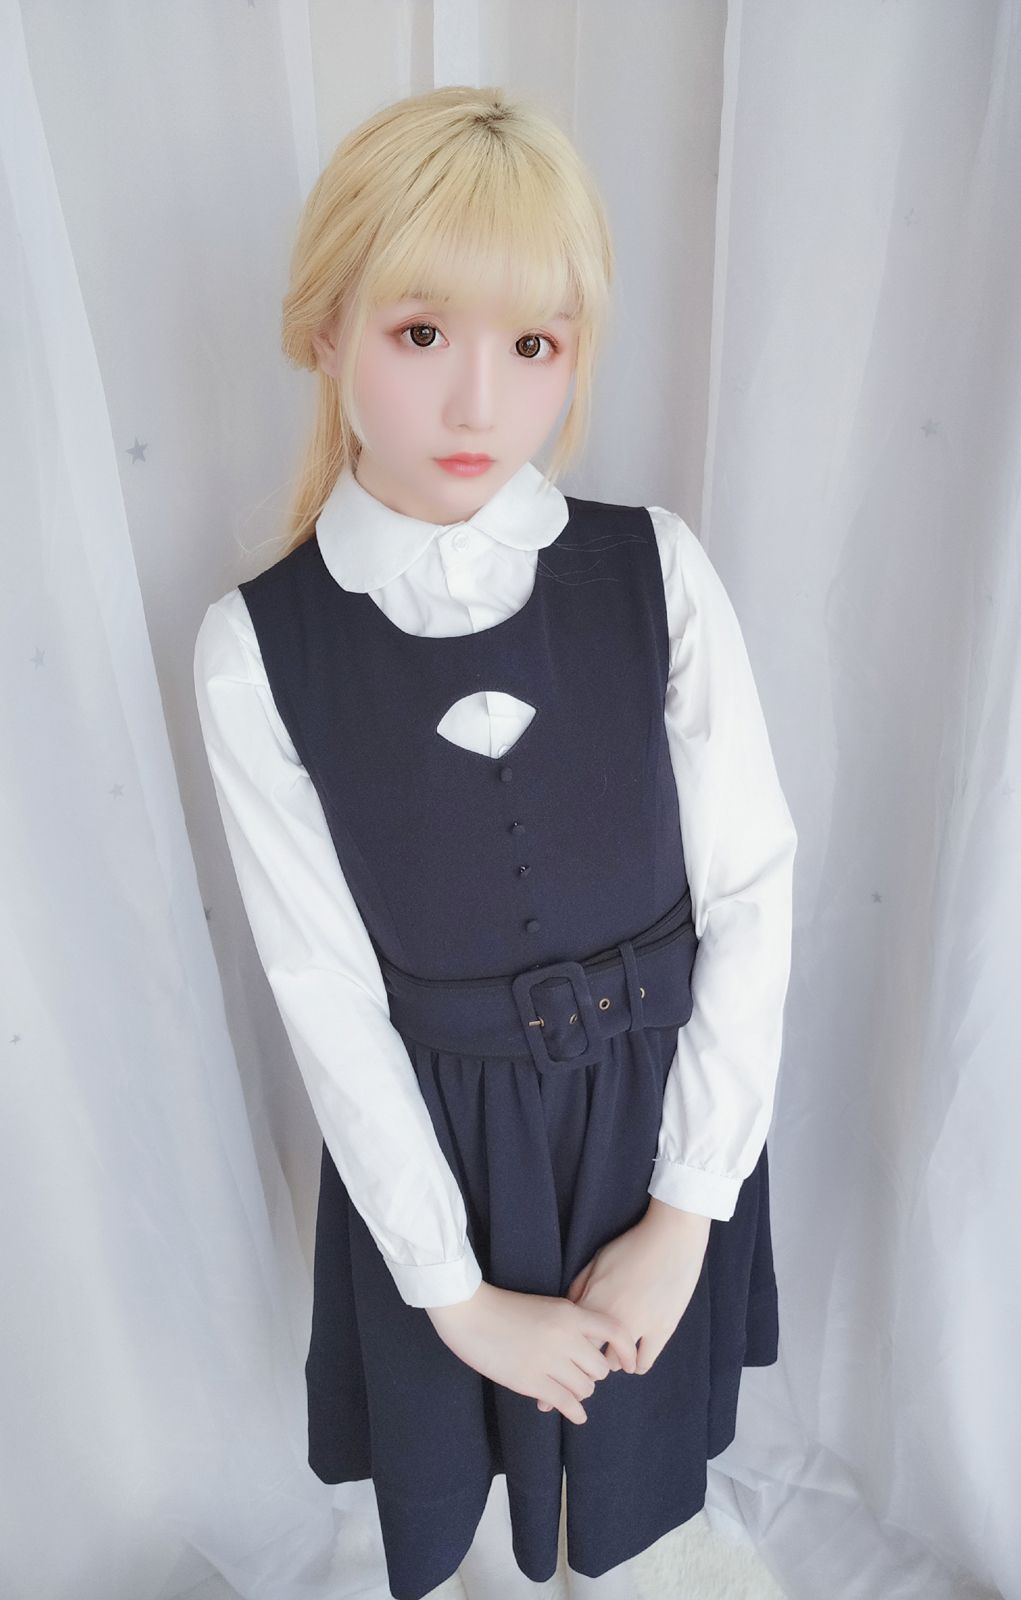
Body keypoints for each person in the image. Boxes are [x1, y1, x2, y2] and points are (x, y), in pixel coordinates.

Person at [194, 84, 798, 1600]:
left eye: (533, 346)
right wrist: (456, 1294)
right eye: (421, 334)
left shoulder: (656, 571)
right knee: (477, 1503)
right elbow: (325, 994)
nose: (479, 405)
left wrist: (685, 1211)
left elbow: (749, 887)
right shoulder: (257, 650)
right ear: (326, 330)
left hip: (657, 1132)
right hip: (443, 1164)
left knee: (646, 1487)